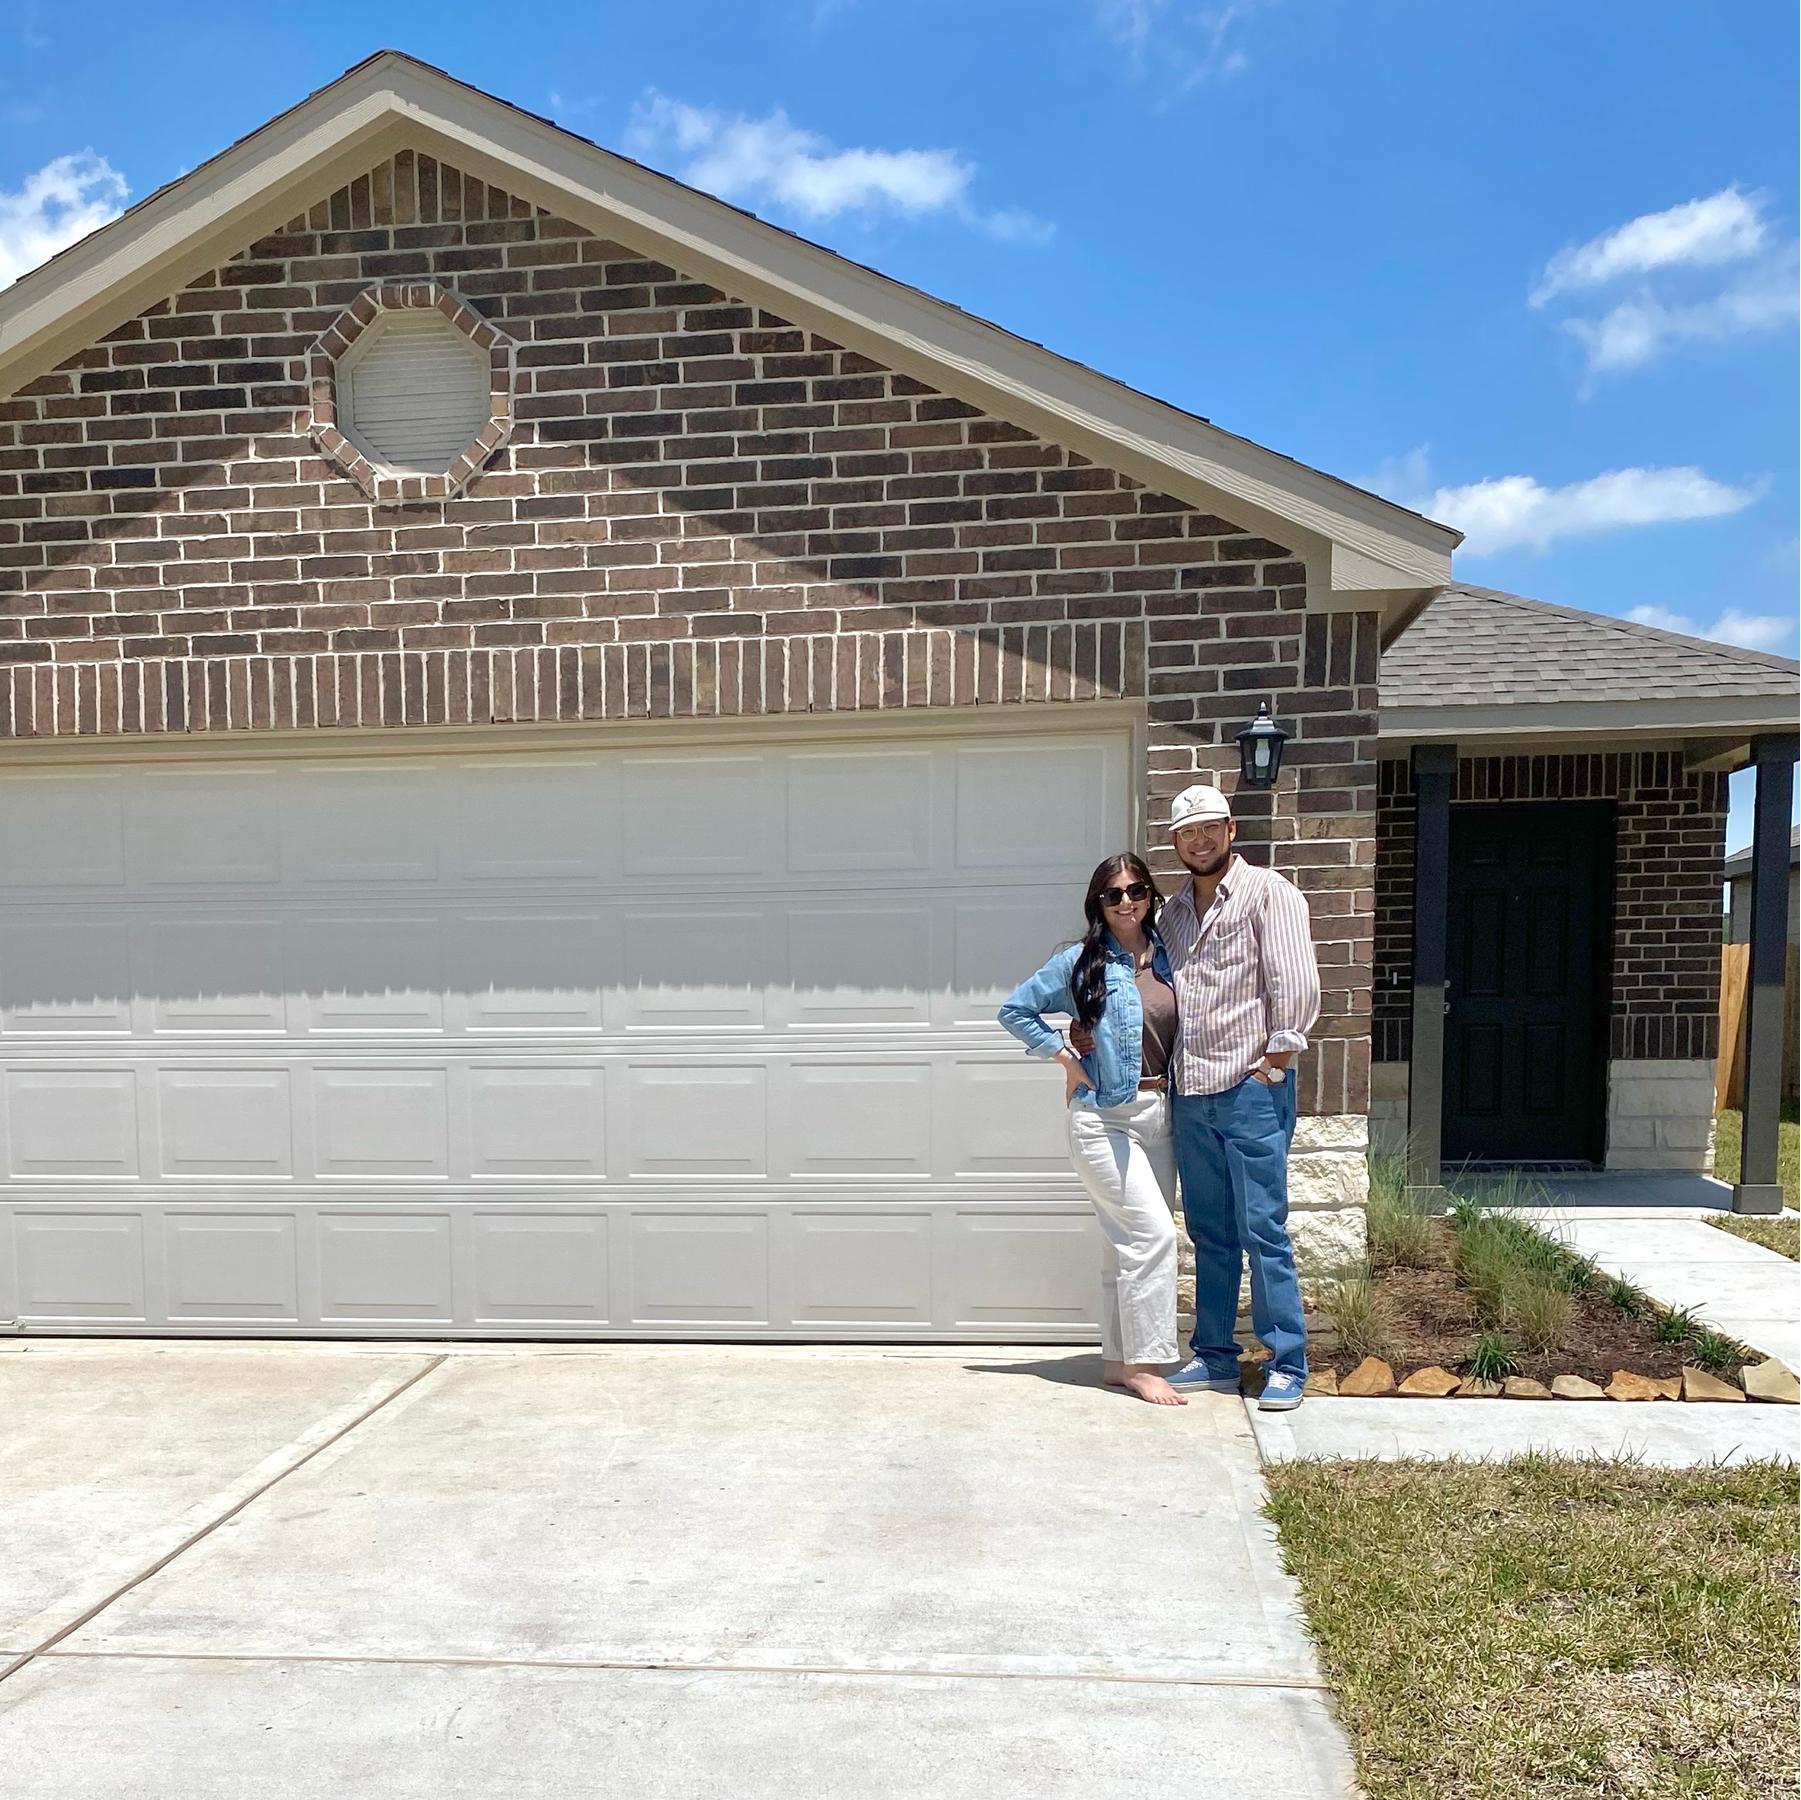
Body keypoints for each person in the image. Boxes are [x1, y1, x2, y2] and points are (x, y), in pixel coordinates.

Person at [1151, 783, 1321, 1411]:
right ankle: (1216, 1356)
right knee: (1209, 1232)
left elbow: (1295, 980)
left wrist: (1275, 1060)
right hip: (1191, 1092)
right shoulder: (1169, 914)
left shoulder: (1267, 892)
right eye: (1186, 832)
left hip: (1251, 1088)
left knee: (1263, 1229)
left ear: (1231, 830)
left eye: (1209, 829)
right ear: (1175, 842)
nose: (1198, 841)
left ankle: (1287, 1363)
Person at [997, 854, 1185, 1406]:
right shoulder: (1081, 962)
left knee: (1122, 1244)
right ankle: (1147, 1365)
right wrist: (1066, 1057)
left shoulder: (1170, 958)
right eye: (1113, 894)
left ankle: (1117, 1360)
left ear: (1150, 894)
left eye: (1136, 889)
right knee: (1153, 1237)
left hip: (1162, 1113)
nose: (1126, 901)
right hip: (1103, 1117)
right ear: (1097, 904)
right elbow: (1016, 1010)